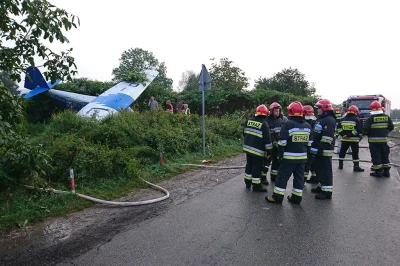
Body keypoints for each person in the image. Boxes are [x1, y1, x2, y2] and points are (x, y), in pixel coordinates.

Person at [266, 101, 312, 204]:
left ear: (290, 111)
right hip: (302, 159)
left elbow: (282, 143)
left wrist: (280, 155)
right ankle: (296, 198)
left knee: (282, 177)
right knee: (299, 179)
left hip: (288, 158)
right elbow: (310, 144)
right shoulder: (308, 126)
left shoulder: (288, 124)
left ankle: (277, 197)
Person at [310, 99, 336, 200]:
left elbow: (327, 137)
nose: (318, 110)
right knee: (319, 169)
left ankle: (327, 191)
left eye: (319, 108)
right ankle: (321, 186)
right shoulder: (321, 119)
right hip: (318, 149)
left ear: (325, 109)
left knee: (326, 170)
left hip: (324, 150)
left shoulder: (329, 120)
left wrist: (321, 148)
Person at [243, 105, 273, 192]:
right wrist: (269, 152)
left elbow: (244, 133)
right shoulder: (264, 124)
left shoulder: (248, 121)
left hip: (248, 149)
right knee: (257, 167)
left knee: (249, 165)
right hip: (258, 151)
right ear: (265, 114)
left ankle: (247, 182)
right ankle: (256, 186)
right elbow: (267, 140)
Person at [363, 101, 394, 177]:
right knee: (384, 156)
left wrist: (368, 134)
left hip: (374, 142)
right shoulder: (386, 117)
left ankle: (378, 172)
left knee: (376, 157)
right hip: (384, 141)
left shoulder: (370, 118)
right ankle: (386, 172)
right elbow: (391, 127)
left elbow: (365, 130)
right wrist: (385, 132)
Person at [337, 105, 364, 172]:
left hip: (344, 139)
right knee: (355, 153)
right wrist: (349, 135)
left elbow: (338, 129)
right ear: (356, 112)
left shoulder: (342, 119)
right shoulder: (357, 119)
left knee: (342, 152)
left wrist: (343, 135)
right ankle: (356, 167)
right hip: (354, 140)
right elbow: (357, 130)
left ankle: (340, 165)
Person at [264, 102, 284, 183]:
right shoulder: (267, 120)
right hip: (269, 146)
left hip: (277, 146)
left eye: (278, 111)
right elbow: (267, 135)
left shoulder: (281, 120)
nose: (277, 112)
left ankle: (274, 176)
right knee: (266, 162)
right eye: (276, 111)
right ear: (271, 111)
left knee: (276, 162)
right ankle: (263, 178)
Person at [303, 105, 317, 183]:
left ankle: (303, 179)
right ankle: (314, 177)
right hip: (313, 146)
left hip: (307, 147)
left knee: (306, 164)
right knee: (312, 163)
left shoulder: (305, 123)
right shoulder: (315, 122)